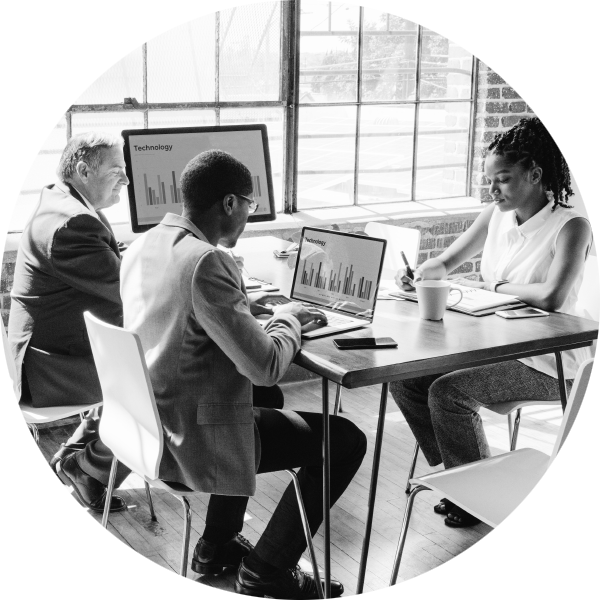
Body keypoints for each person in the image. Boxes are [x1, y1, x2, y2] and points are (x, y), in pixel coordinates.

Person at [120, 150, 367, 599]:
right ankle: (266, 572)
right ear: (230, 204)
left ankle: (216, 545)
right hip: (190, 438)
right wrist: (288, 318)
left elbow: (178, 312)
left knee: (265, 404)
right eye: (250, 205)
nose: (249, 216)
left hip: (148, 422)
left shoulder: (146, 243)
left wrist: (242, 311)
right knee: (346, 440)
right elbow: (267, 366)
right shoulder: (207, 262)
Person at [391, 117, 593, 528]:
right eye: (490, 179)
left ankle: (471, 489)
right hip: (496, 342)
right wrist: (420, 273)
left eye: (502, 179)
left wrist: (496, 286)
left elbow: (553, 295)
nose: (493, 189)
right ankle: (460, 476)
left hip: (551, 362)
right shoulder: (495, 215)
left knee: (449, 392)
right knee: (406, 380)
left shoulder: (571, 227)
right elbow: (446, 262)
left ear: (535, 175)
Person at [8, 132, 132, 512]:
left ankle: (72, 458)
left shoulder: (62, 203)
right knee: (169, 379)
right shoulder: (73, 225)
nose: (127, 182)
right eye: (117, 172)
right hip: (50, 367)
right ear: (82, 170)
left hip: (48, 352)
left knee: (138, 366)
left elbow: (109, 256)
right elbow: (132, 290)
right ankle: (89, 467)